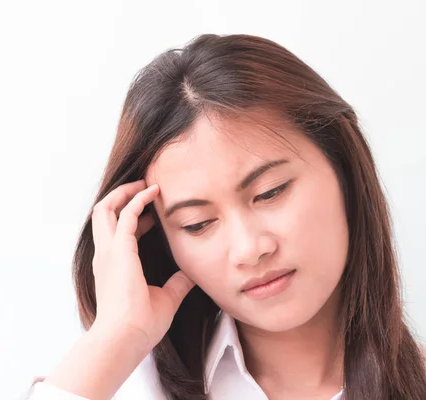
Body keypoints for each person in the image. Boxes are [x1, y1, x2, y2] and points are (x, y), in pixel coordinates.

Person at [24, 33, 426, 400]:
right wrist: (115, 339)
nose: (249, 250)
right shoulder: (121, 386)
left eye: (270, 192)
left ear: (344, 169)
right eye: (197, 224)